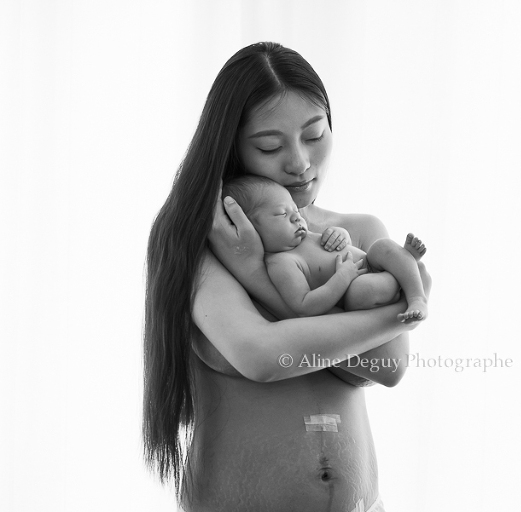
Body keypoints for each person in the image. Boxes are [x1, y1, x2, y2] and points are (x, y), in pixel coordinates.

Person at [143, 42, 431, 512]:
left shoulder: (357, 231)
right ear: (230, 147)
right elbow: (261, 356)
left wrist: (256, 274)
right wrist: (407, 311)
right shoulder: (204, 239)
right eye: (270, 146)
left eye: (315, 135)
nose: (299, 162)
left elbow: (389, 367)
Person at [222, 175, 429, 321]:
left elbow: (345, 247)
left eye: (294, 209)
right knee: (364, 289)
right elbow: (304, 305)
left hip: (368, 263)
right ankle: (406, 271)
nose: (296, 216)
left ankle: (416, 295)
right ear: (249, 228)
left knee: (381, 246)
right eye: (282, 214)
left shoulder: (304, 236)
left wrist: (341, 235)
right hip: (356, 288)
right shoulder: (281, 262)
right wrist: (343, 278)